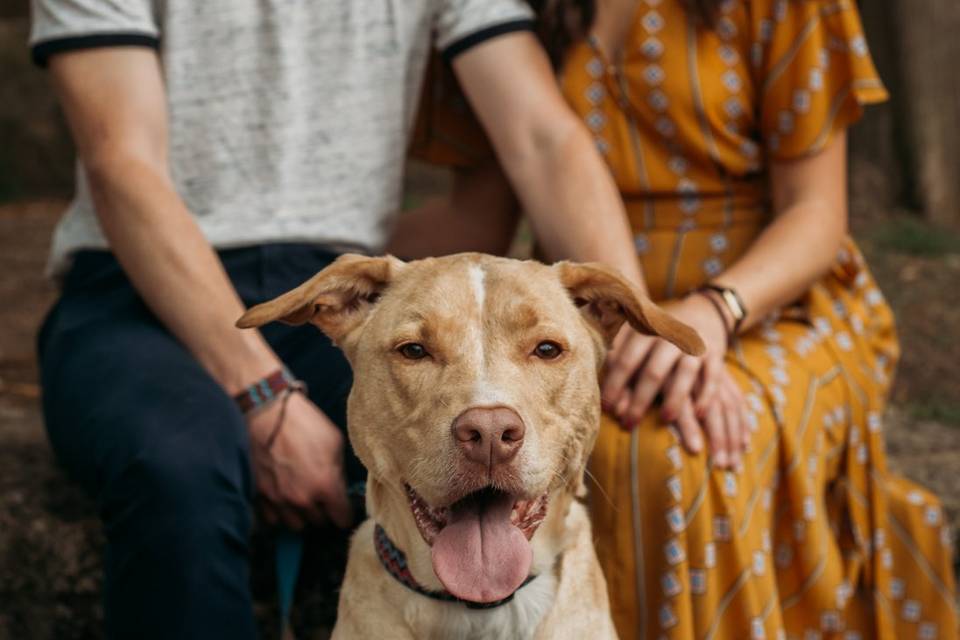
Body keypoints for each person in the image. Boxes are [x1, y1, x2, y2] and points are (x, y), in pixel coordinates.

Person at [28, 1, 657, 637]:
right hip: (136, 282)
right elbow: (120, 163)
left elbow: (543, 138)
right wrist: (263, 393)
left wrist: (632, 342)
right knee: (178, 465)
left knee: (468, 438)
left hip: (335, 287)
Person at [406, 0, 959, 637]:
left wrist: (715, 312)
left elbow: (817, 215)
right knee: (575, 445)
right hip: (588, 313)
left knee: (682, 453)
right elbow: (480, 219)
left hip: (769, 297)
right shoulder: (503, 10)